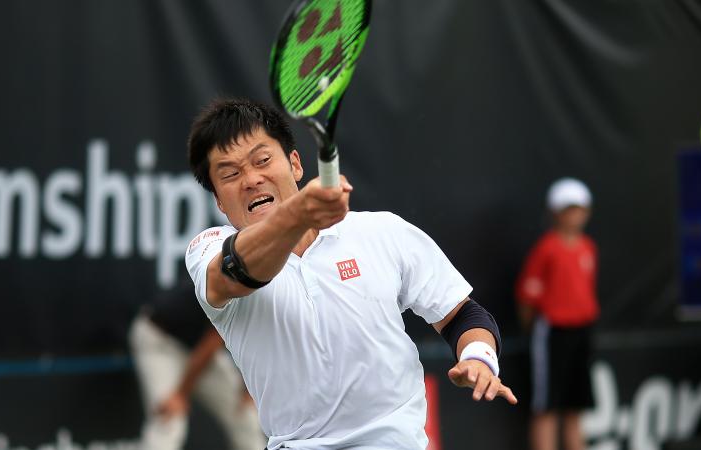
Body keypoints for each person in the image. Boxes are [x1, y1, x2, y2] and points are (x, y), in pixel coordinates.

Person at [184, 97, 517, 450]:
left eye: (262, 160)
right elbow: (235, 274)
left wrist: (478, 357)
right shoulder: (208, 250)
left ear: (295, 164)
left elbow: (461, 314)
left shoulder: (382, 232)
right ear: (219, 201)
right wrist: (299, 214)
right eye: (231, 174)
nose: (251, 179)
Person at [129, 278, 266, 450]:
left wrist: (248, 389)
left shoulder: (277, 286)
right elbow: (209, 344)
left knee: (244, 413)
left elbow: (260, 340)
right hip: (159, 340)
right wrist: (180, 394)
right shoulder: (236, 277)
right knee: (170, 418)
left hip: (198, 344)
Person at [514, 177, 599, 450]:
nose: (574, 215)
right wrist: (537, 329)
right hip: (552, 334)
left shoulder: (588, 247)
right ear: (555, 213)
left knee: (576, 407)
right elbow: (527, 298)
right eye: (568, 208)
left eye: (579, 208)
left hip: (582, 332)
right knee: (546, 407)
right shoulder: (546, 249)